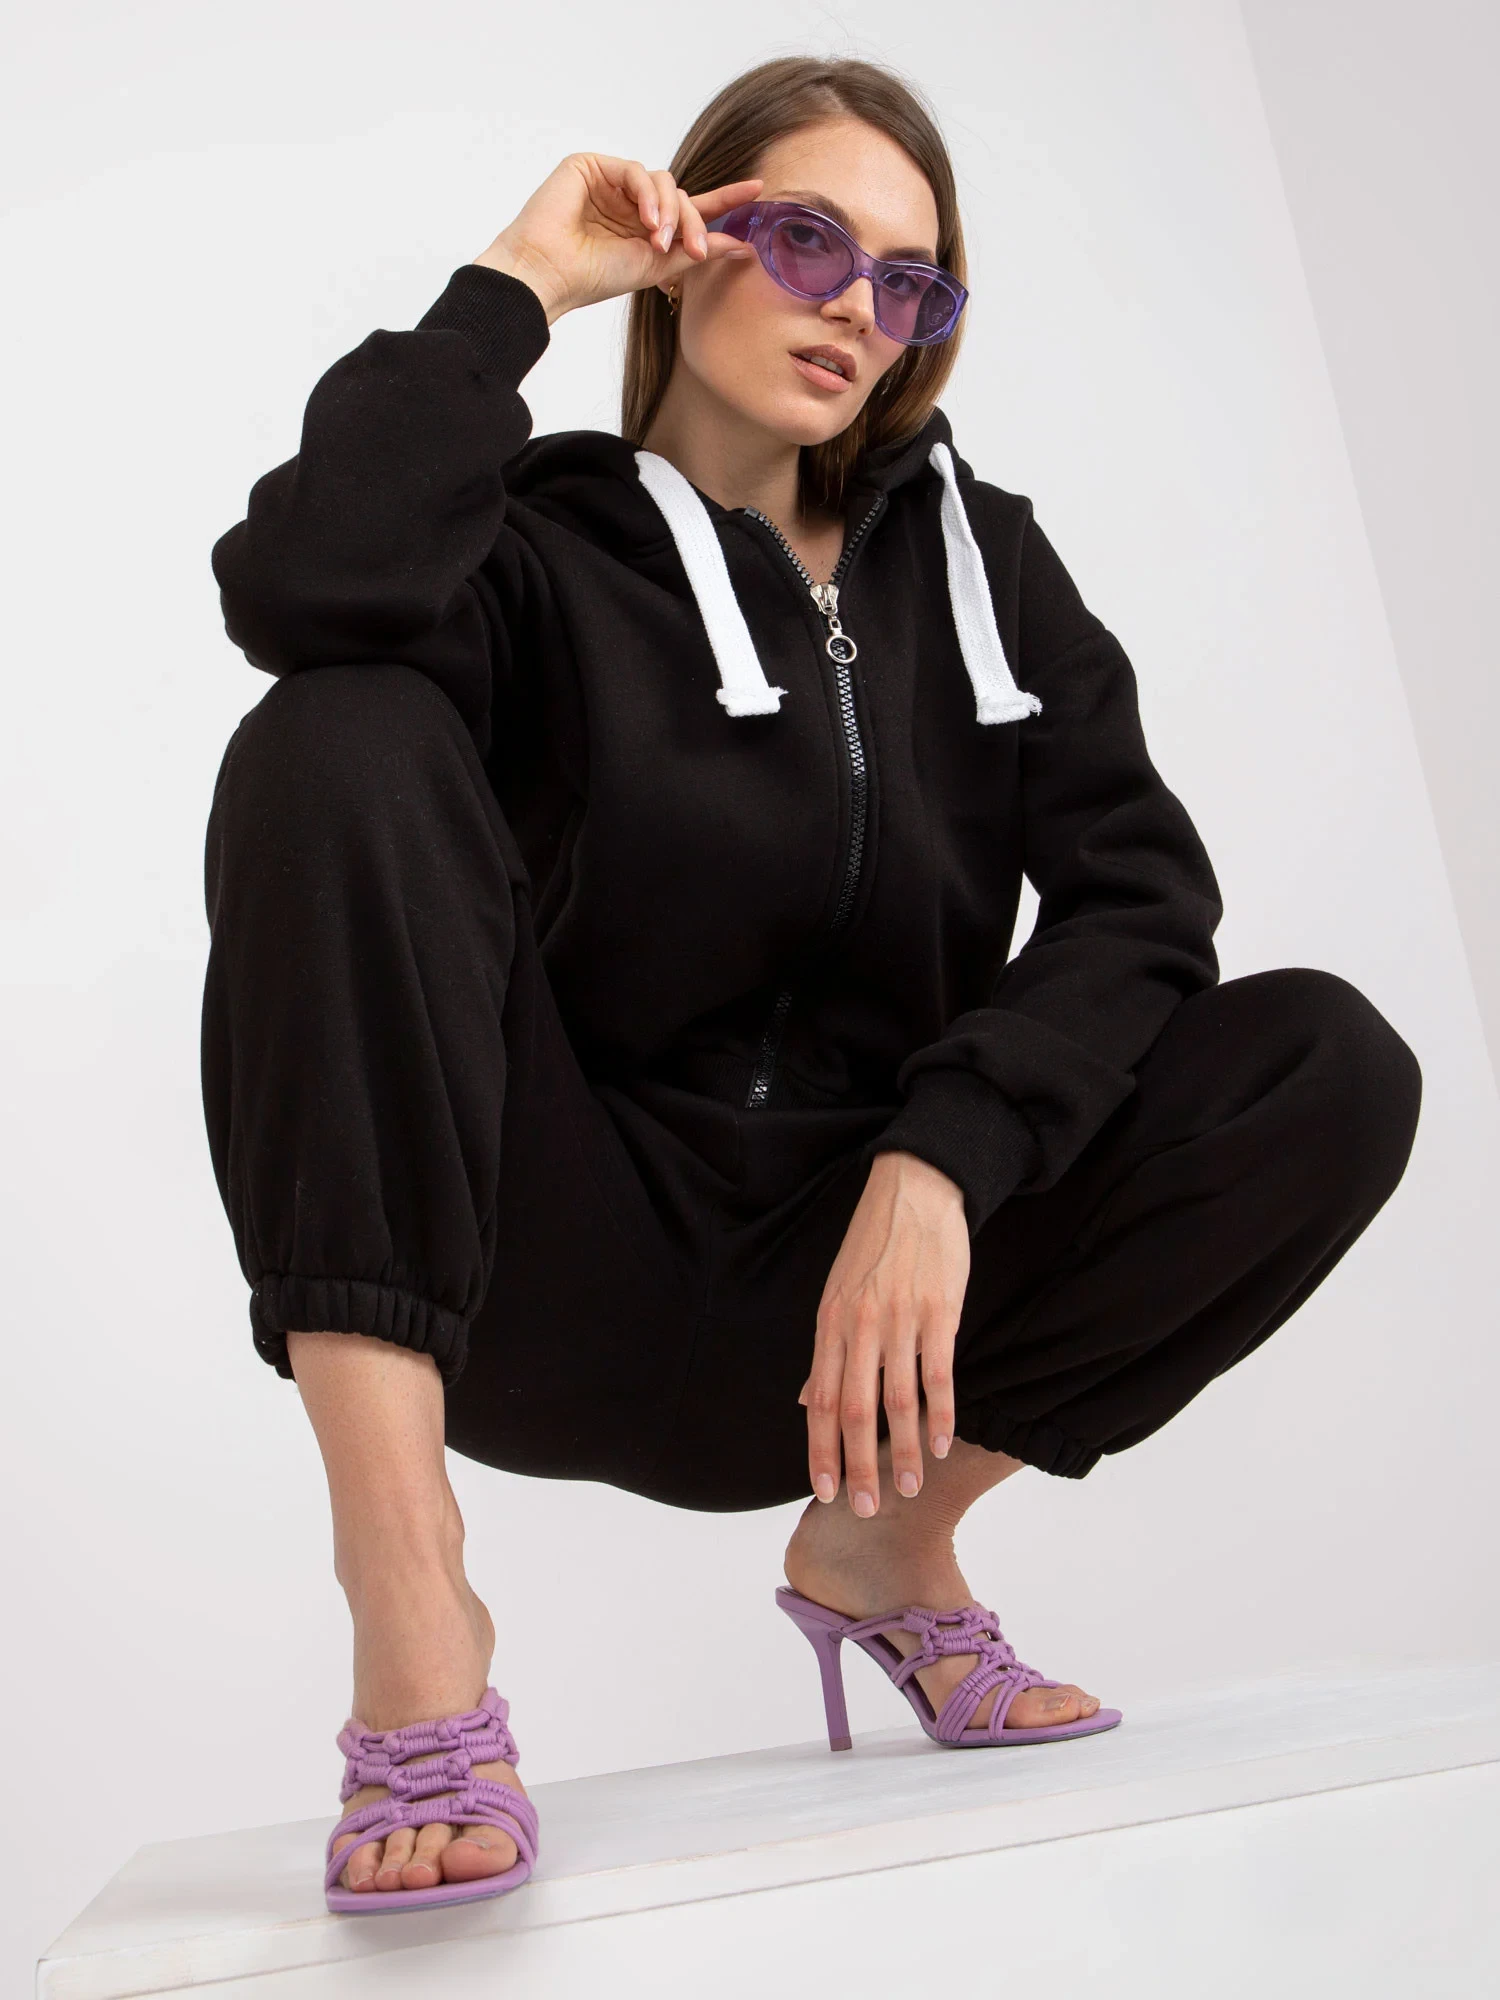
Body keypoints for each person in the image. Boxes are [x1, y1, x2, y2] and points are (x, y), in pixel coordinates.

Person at [201, 54, 1423, 1913]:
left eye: (908, 280)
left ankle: (884, 1550)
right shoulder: (528, 551)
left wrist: (940, 1164)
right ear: (690, 238)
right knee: (333, 735)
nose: (857, 304)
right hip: (537, 1263)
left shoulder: (984, 564)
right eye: (805, 241)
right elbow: (302, 588)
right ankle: (411, 1599)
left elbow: (1144, 903)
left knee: (1328, 1059)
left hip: (864, 1346)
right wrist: (521, 282)